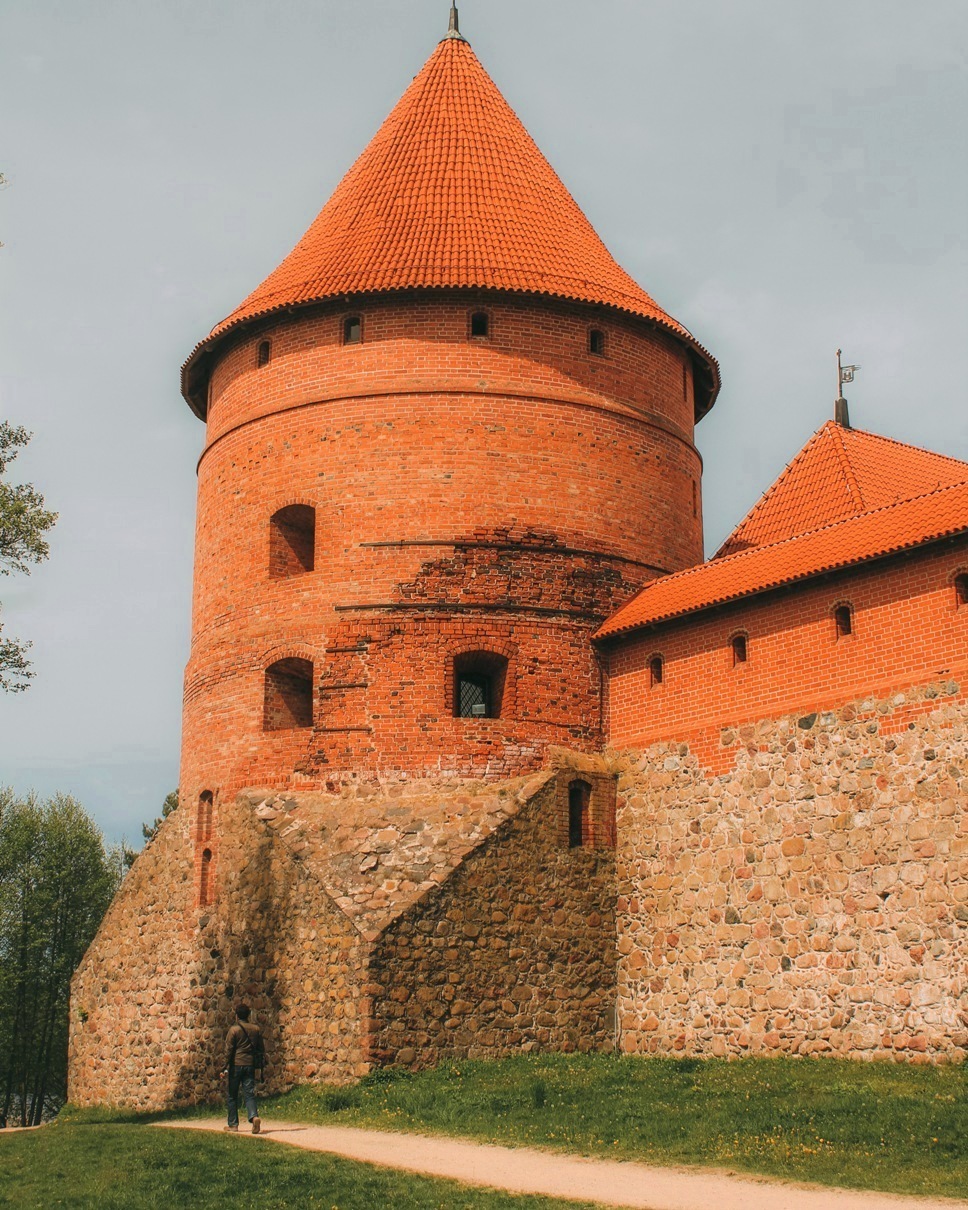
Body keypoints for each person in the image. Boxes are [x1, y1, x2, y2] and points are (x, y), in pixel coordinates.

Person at [221, 1002, 265, 1133]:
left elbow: (228, 1050)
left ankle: (233, 1124)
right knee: (249, 1094)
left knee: (232, 1095)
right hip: (249, 1065)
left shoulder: (234, 1030)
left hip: (236, 1065)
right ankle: (254, 1116)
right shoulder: (256, 1029)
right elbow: (260, 1048)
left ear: (236, 1016)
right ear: (249, 1015)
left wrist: (223, 1067)